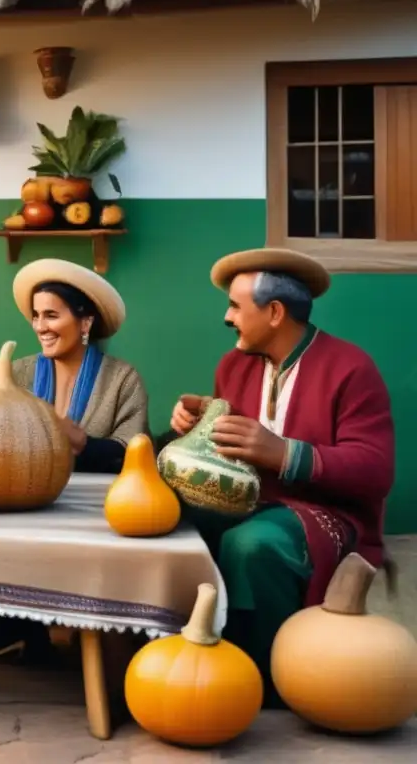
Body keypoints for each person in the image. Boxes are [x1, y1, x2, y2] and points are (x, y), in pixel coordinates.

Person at [168, 247, 394, 705]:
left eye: (236, 305)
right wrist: (200, 423)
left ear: (274, 312)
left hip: (324, 514)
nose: (227, 317)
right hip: (247, 501)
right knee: (170, 516)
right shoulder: (232, 366)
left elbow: (375, 468)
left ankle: (268, 677)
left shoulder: (351, 368)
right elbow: (230, 447)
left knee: (252, 543)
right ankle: (175, 645)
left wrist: (283, 453)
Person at [0, 258, 151, 662]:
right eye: (35, 316)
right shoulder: (15, 373)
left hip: (97, 512)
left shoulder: (123, 379)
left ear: (85, 323)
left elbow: (133, 454)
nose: (40, 326)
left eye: (51, 315)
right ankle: (18, 631)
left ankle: (91, 639)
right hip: (23, 504)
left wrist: (78, 439)